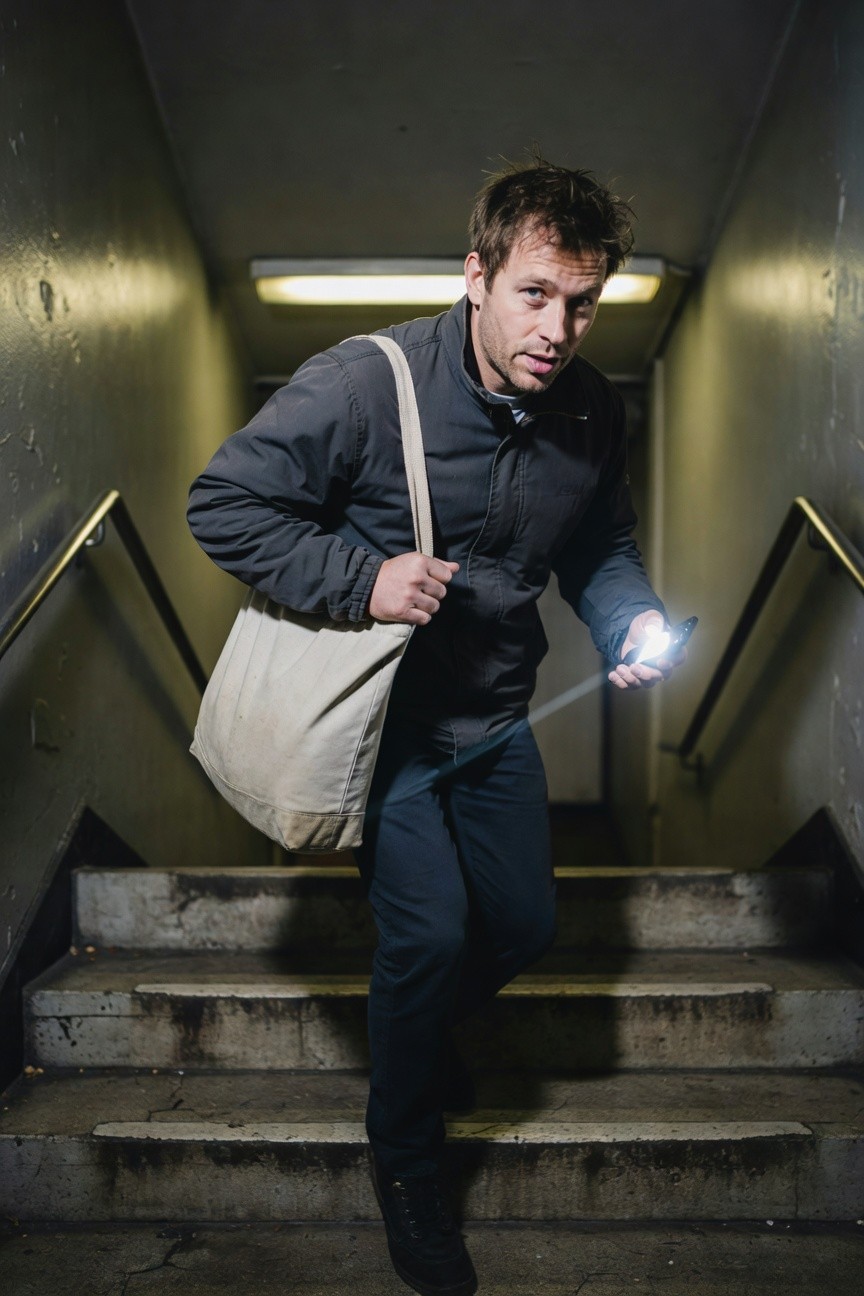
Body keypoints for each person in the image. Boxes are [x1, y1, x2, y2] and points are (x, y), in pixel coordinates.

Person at [187, 158, 684, 1296]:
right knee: (430, 938)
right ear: (476, 274)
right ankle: (407, 1163)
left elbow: (599, 550)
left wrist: (630, 625)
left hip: (499, 719)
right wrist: (359, 576)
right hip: (385, 730)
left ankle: (413, 1039)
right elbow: (222, 501)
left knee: (523, 928)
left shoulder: (594, 410)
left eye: (583, 301)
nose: (558, 327)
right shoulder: (365, 386)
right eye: (534, 293)